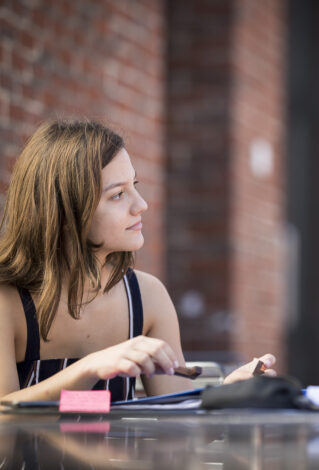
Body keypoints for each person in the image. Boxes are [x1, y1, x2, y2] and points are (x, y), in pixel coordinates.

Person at [0, 119, 276, 404]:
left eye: (134, 185)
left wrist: (227, 394)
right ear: (64, 212)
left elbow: (177, 423)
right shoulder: (7, 301)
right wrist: (89, 368)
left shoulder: (147, 296)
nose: (141, 204)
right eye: (118, 194)